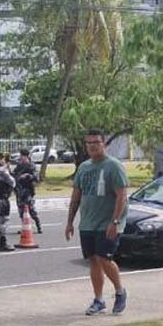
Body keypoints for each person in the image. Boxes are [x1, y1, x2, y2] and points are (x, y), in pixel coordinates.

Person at [65, 128, 129, 315]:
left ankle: (120, 291)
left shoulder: (113, 166)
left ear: (104, 144)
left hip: (108, 222)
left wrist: (115, 221)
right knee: (93, 260)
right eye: (89, 143)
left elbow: (121, 197)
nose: (92, 146)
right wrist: (70, 222)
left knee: (104, 258)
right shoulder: (84, 168)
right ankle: (98, 300)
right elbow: (76, 197)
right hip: (88, 223)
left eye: (96, 142)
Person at [12, 149, 41, 233]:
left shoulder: (31, 166)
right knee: (21, 211)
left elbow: (36, 177)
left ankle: (38, 226)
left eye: (23, 156)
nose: (21, 157)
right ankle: (25, 227)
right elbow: (14, 175)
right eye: (21, 156)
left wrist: (28, 176)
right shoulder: (19, 166)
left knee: (31, 209)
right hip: (19, 191)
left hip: (28, 190)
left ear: (27, 156)